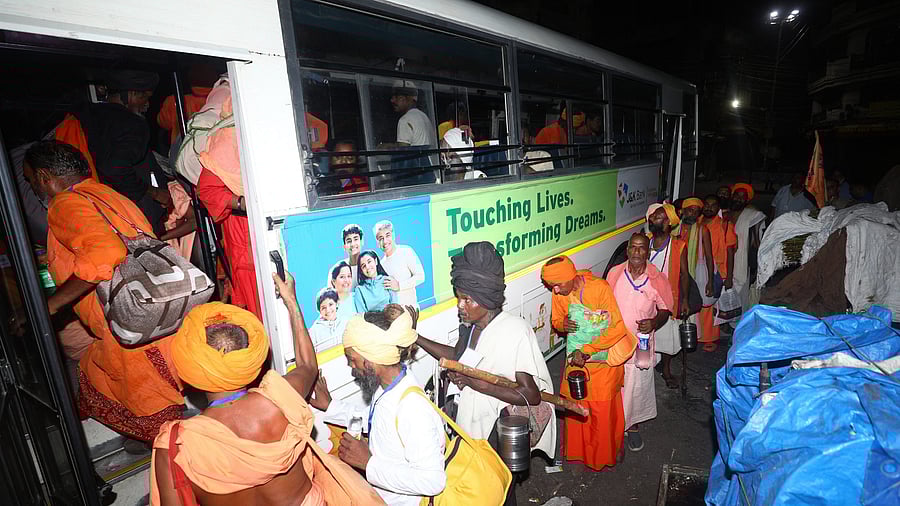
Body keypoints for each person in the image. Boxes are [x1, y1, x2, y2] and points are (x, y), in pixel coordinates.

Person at [150, 275, 385, 506]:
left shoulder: (176, 445)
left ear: (191, 369)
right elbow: (307, 366)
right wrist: (291, 301)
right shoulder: (280, 397)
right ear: (250, 358)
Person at [23, 140, 183, 443]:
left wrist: (51, 305)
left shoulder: (66, 204)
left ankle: (180, 474)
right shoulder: (105, 194)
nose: (33, 189)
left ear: (45, 177)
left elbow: (104, 254)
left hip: (127, 328)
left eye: (31, 180)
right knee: (97, 381)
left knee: (162, 429)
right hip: (152, 315)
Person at [416, 242, 556, 505]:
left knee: (500, 492)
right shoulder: (468, 328)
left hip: (497, 437)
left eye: (467, 299)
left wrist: (474, 383)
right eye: (459, 297)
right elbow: (457, 358)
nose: (460, 305)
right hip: (469, 433)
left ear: (488, 299)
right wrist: (417, 338)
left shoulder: (516, 331)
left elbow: (531, 394)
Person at [314, 306, 446, 505]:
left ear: (370, 360)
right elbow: (375, 419)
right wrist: (331, 407)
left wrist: (368, 462)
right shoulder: (387, 385)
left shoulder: (412, 409)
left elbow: (433, 481)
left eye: (352, 359)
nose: (351, 366)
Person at [541, 255, 633, 471]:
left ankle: (603, 455)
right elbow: (556, 321)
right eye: (551, 286)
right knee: (577, 406)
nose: (555, 291)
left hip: (601, 363)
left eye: (558, 285)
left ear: (572, 276)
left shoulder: (599, 288)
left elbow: (617, 328)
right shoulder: (560, 293)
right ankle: (579, 453)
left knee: (601, 411)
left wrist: (588, 350)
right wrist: (562, 324)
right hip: (576, 361)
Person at [78, 70, 173, 236]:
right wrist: (155, 193)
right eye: (145, 97)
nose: (147, 104)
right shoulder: (132, 124)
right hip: (133, 217)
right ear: (131, 94)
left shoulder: (88, 118)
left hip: (101, 212)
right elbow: (114, 167)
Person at [606, 234, 673, 452]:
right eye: (633, 248)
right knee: (615, 385)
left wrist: (654, 322)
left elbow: (666, 309)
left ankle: (632, 427)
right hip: (615, 342)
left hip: (641, 344)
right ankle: (614, 426)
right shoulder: (615, 274)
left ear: (647, 251)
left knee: (637, 387)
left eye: (641, 248)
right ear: (627, 250)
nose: (637, 252)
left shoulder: (656, 278)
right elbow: (603, 304)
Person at [196, 166, 261, 320]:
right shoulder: (224, 145)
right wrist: (242, 203)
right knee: (262, 317)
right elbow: (207, 190)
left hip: (284, 229)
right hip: (245, 236)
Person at [644, 203, 688, 389]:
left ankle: (667, 369)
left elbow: (685, 274)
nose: (653, 219)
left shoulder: (678, 245)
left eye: (658, 217)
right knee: (644, 334)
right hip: (645, 296)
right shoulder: (645, 241)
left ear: (669, 222)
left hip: (668, 297)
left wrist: (684, 300)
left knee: (668, 337)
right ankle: (644, 367)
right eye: (652, 216)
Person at [680, 198, 718, 352]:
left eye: (696, 211)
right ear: (683, 210)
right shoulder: (676, 229)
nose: (693, 213)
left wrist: (710, 281)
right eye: (690, 209)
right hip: (680, 272)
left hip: (696, 271)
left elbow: (709, 256)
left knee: (702, 304)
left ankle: (708, 338)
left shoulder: (703, 230)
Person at [157, 64, 220, 146]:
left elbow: (162, 123)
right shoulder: (224, 102)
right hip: (213, 153)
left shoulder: (174, 100)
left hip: (181, 152)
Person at [728, 183, 766, 313]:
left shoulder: (753, 215)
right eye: (736, 195)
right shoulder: (725, 214)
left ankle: (738, 323)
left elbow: (757, 241)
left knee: (741, 291)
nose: (738, 199)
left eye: (742, 197)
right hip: (724, 258)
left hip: (742, 259)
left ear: (747, 200)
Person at [374, 221, 425, 307]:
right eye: (381, 238)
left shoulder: (406, 251)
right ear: (378, 243)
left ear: (393, 235)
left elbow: (421, 276)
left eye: (387, 235)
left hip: (410, 310)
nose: (385, 241)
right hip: (393, 315)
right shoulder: (381, 264)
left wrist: (399, 285)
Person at [701, 195, 737, 293]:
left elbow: (730, 252)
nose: (709, 208)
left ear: (718, 208)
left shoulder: (725, 225)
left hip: (718, 272)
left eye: (713, 205)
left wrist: (729, 277)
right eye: (707, 205)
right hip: (697, 269)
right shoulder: (696, 223)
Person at [308, 288, 349, 352]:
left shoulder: (346, 322)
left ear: (337, 304)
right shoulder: (314, 331)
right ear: (319, 311)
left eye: (330, 304)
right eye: (323, 308)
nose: (328, 310)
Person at [328, 224, 364, 290]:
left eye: (356, 239)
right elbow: (330, 296)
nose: (353, 244)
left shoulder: (369, 265)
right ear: (344, 246)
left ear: (361, 242)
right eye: (349, 241)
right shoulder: (337, 269)